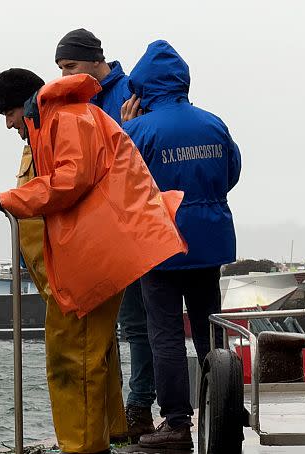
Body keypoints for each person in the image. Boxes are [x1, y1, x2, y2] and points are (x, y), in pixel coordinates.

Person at [0, 68, 187, 453]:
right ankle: (107, 430)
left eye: (8, 114)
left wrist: (9, 198)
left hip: (97, 253)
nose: (9, 124)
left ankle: (82, 446)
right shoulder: (66, 119)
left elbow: (69, 181)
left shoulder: (65, 119)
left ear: (21, 107)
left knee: (70, 352)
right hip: (100, 249)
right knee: (94, 347)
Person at [120, 40, 241, 450]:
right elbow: (232, 171)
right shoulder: (213, 124)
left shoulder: (138, 129)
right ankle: (226, 407)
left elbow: (120, 183)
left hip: (161, 243)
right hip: (209, 240)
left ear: (142, 88)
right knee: (212, 327)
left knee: (166, 335)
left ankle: (176, 422)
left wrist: (123, 127)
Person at [54, 27, 155, 441]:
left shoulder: (131, 94)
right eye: (60, 68)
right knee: (108, 330)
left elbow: (138, 161)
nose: (64, 75)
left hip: (127, 229)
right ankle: (112, 416)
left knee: (137, 324)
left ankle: (139, 406)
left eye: (71, 66)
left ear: (97, 60)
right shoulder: (76, 100)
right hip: (95, 233)